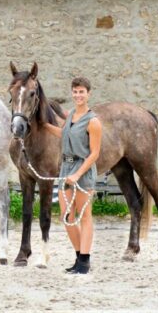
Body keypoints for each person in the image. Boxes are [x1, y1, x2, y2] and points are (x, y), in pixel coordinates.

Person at [43, 77, 102, 274]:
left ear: (88, 94)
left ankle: (85, 262)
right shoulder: (70, 116)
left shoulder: (93, 121)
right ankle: (79, 258)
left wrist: (77, 174)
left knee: (84, 216)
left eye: (81, 92)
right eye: (75, 92)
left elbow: (94, 153)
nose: (78, 95)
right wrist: (42, 126)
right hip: (65, 169)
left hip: (82, 170)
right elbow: (64, 135)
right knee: (67, 217)